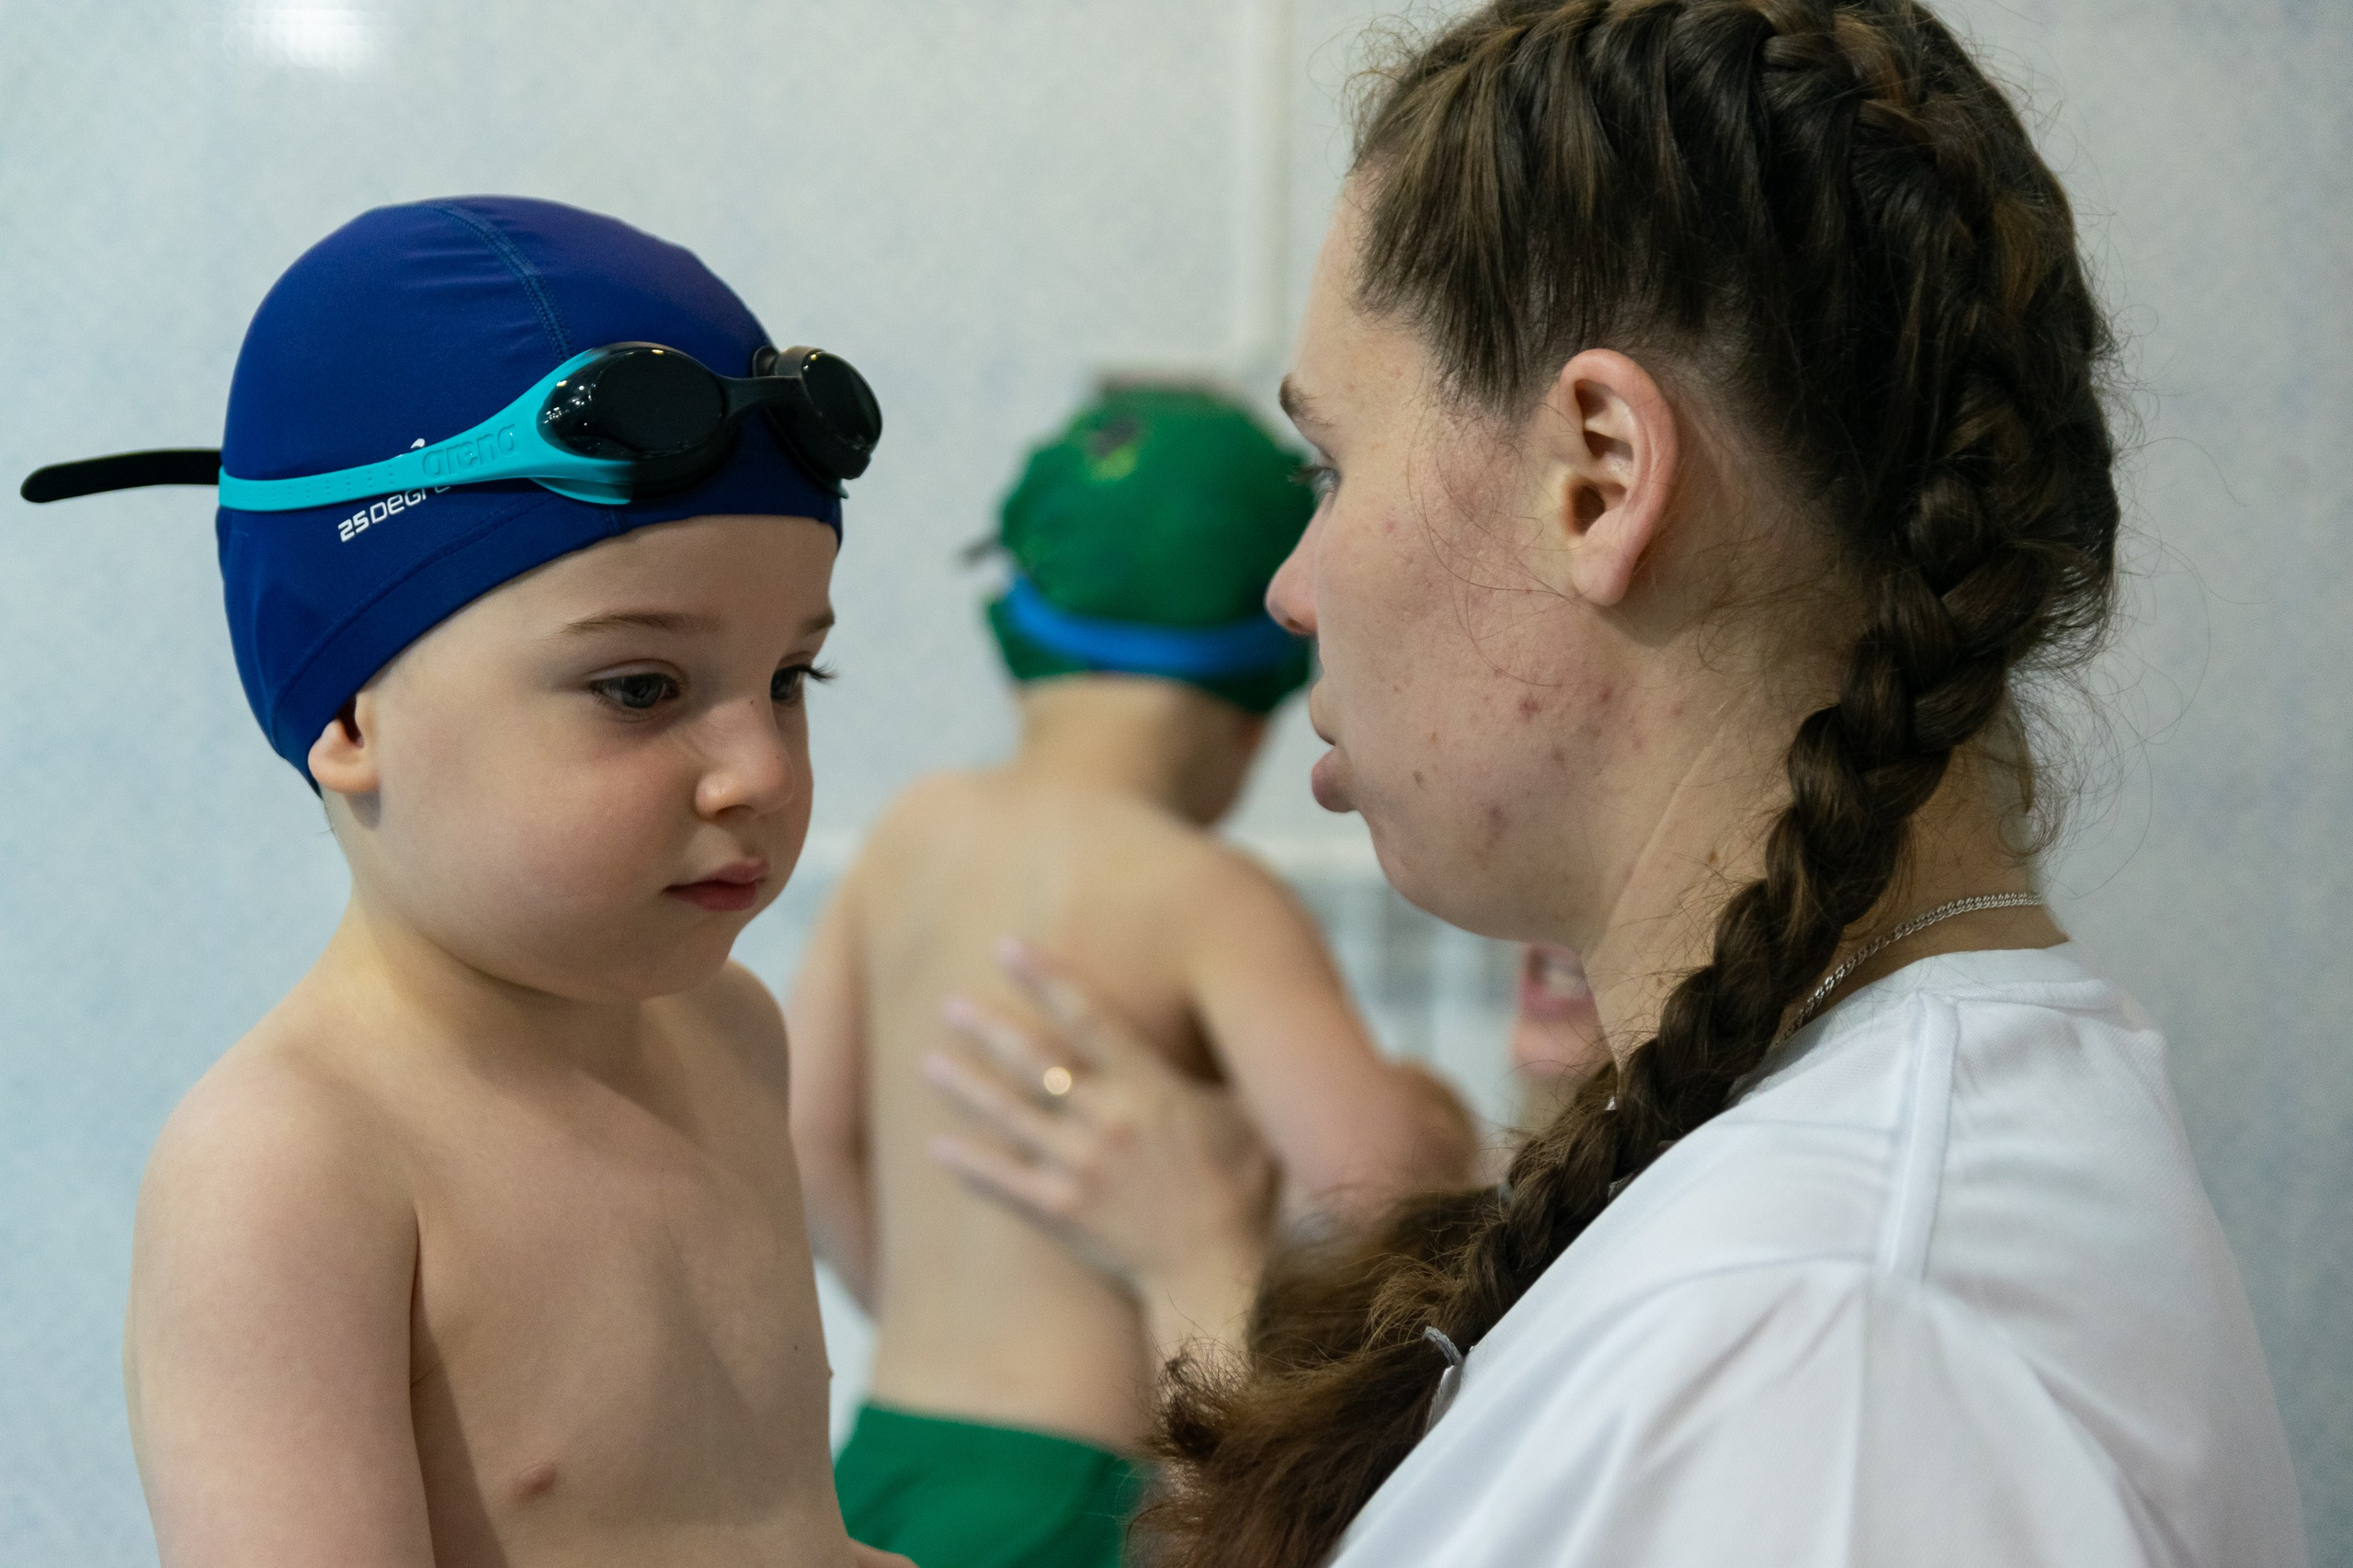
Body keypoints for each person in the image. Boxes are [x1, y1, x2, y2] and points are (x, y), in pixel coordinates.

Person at [926, 4, 2309, 1564]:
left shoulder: (1824, 1357)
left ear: (1598, 473)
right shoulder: (1819, 1235)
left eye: (1330, 468)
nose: (1291, 588)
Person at [111, 198, 906, 1567]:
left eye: (789, 677)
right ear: (348, 714)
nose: (759, 770)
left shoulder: (731, 1036)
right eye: (640, 686)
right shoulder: (295, 1168)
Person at [785, 383, 1475, 1568]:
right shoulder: (1208, 899)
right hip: (1083, 1491)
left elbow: (804, 1130)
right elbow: (1385, 1187)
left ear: (1017, 641)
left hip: (889, 1462)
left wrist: (923, 1309)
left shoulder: (913, 833)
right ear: (1261, 709)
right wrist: (1435, 1115)